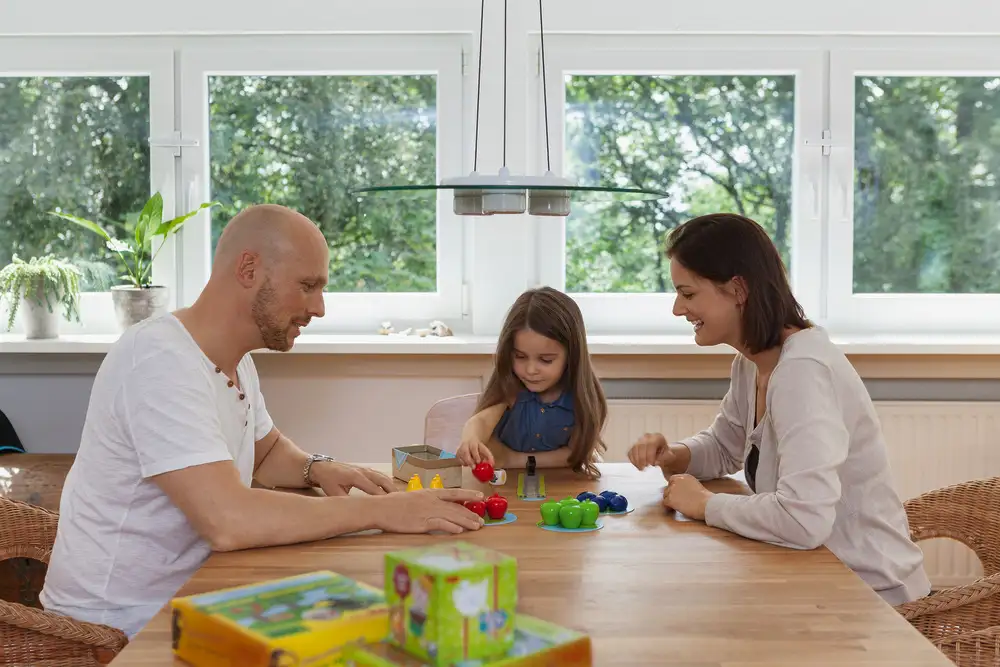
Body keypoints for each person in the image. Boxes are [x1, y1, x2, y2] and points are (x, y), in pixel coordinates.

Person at [39, 204, 485, 638]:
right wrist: (379, 511)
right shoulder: (158, 360)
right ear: (249, 270)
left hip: (191, 594)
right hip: (118, 629)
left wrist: (320, 467)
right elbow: (227, 519)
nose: (320, 308)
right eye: (308, 285)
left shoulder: (233, 361)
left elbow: (266, 450)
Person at [627, 213, 930, 606]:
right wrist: (675, 456)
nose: (677, 309)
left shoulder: (802, 372)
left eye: (687, 294)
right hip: (815, 574)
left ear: (737, 290)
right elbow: (725, 446)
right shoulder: (752, 361)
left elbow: (803, 520)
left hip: (869, 597)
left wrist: (705, 504)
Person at [456, 286, 607, 478]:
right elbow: (481, 420)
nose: (530, 370)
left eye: (546, 360)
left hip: (561, 486)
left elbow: (575, 456)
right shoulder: (511, 385)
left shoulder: (580, 398)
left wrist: (511, 459)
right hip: (505, 486)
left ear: (572, 355)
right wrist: (471, 438)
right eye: (520, 356)